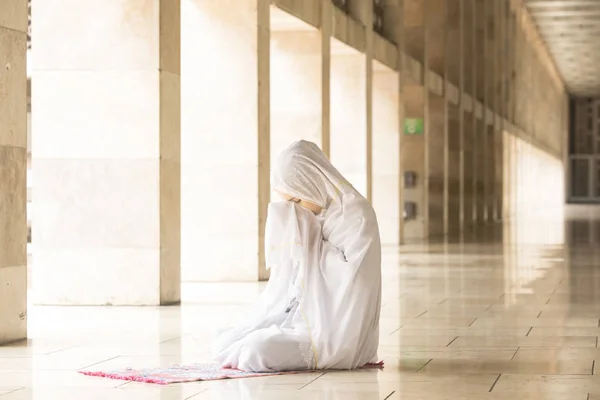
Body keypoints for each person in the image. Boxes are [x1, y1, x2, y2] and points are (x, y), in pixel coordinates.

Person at [213, 140, 382, 372]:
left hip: (338, 334)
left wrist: (309, 243)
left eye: (296, 200)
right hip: (308, 316)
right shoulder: (316, 213)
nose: (294, 208)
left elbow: (355, 283)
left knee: (255, 352)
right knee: (228, 341)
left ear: (312, 181)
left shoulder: (356, 215)